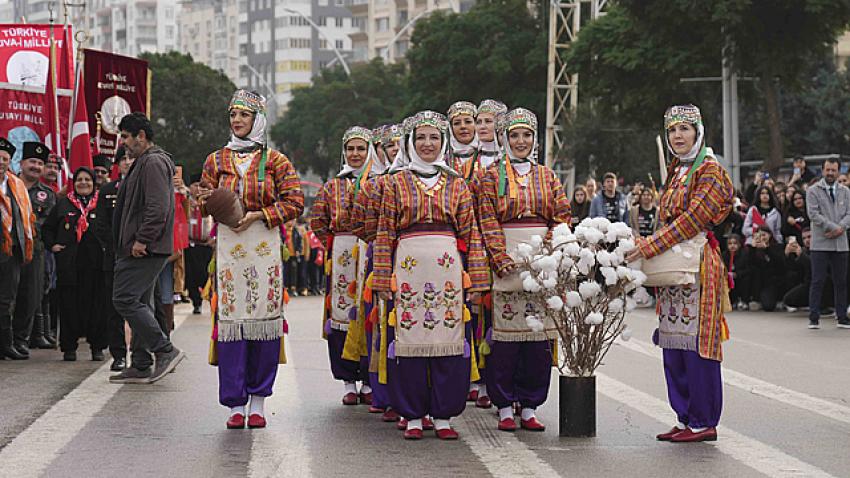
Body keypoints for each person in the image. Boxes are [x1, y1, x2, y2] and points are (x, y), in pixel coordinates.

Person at [373, 110, 489, 440]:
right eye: (420, 138)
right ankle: (412, 415)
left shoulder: (457, 184)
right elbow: (385, 233)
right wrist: (382, 279)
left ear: (444, 143)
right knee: (408, 337)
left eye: (434, 138)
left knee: (449, 341)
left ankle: (443, 415)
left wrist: (478, 281)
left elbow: (473, 233)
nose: (427, 144)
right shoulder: (396, 182)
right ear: (410, 143)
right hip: (408, 267)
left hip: (447, 271)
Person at [626, 104, 734, 443]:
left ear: (698, 132)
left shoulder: (710, 169)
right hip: (673, 263)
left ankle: (704, 420)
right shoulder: (676, 171)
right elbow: (666, 220)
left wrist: (649, 246)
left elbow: (693, 219)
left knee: (697, 345)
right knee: (673, 344)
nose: (678, 136)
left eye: (685, 129)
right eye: (673, 130)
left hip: (698, 263)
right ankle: (685, 417)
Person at [196, 90, 302, 428]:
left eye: (244, 115)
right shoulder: (215, 160)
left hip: (264, 246)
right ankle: (234, 405)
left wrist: (258, 215)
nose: (237, 121)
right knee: (231, 326)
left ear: (258, 121)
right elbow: (204, 198)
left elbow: (295, 201)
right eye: (233, 115)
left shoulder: (277, 161)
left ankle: (258, 401)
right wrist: (209, 201)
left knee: (264, 322)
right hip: (229, 248)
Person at [476, 107, 570, 432]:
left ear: (535, 138)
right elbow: (486, 218)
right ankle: (503, 404)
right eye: (514, 135)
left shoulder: (548, 175)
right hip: (506, 258)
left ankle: (530, 404)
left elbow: (561, 215)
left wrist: (549, 252)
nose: (520, 141)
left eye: (526, 135)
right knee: (505, 338)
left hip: (542, 260)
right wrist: (499, 258)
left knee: (538, 337)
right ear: (504, 137)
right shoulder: (490, 176)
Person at [110, 112, 185, 384]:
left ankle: (165, 350)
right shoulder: (144, 161)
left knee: (124, 298)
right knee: (140, 300)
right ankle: (141, 362)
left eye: (126, 136)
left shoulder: (152, 162)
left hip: (145, 248)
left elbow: (158, 207)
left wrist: (142, 239)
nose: (123, 143)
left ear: (141, 135)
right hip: (141, 246)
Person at [310, 126, 373, 406]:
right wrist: (335, 246)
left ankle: (370, 380)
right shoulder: (332, 186)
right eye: (351, 149)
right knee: (341, 315)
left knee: (369, 312)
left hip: (371, 251)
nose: (356, 154)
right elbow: (317, 221)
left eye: (361, 148)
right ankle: (348, 381)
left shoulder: (380, 183)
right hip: (343, 254)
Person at [43, 167, 106, 361]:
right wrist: (52, 245)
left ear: (94, 183)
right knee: (69, 306)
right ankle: (69, 347)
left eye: (88, 179)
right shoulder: (63, 204)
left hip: (96, 265)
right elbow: (47, 228)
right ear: (74, 182)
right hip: (69, 265)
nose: (83, 183)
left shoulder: (101, 204)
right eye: (79, 179)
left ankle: (97, 347)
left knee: (97, 307)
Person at [13, 142, 55, 356]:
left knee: (30, 296)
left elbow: (49, 224)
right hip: (9, 249)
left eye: (40, 163)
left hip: (34, 251)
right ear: (21, 163)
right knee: (7, 296)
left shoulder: (46, 195)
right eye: (32, 162)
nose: (36, 167)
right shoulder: (9, 186)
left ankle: (21, 339)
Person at [94, 146, 133, 371]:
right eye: (124, 159)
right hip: (114, 256)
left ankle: (142, 353)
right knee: (114, 308)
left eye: (131, 158)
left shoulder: (144, 187)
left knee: (140, 306)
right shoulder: (109, 189)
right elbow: (100, 225)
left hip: (139, 256)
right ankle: (118, 354)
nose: (127, 162)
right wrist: (118, 246)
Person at [0, 137, 36, 360]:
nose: (1, 162)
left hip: (10, 251)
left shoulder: (16, 186)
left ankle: (5, 344)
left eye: (5, 158)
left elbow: (27, 218)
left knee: (6, 299)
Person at [805, 158, 850, 329]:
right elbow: (813, 214)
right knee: (818, 280)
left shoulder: (845, 191)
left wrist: (840, 228)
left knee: (841, 281)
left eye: (834, 170)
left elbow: (849, 213)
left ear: (838, 171)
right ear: (822, 171)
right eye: (828, 170)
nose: (830, 173)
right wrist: (832, 227)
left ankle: (842, 317)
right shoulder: (813, 191)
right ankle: (814, 317)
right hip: (820, 242)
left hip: (840, 243)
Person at [185, 173, 214, 315]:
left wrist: (214, 238)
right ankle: (196, 302)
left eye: (200, 186)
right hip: (190, 245)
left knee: (206, 274)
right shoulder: (184, 201)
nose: (197, 189)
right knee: (191, 276)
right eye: (195, 185)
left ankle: (210, 299)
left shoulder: (211, 202)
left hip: (206, 245)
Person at [746, 225, 785, 312]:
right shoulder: (752, 248)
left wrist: (767, 249)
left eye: (764, 235)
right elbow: (749, 265)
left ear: (769, 235)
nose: (762, 238)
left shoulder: (777, 247)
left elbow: (780, 264)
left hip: (772, 282)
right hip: (758, 282)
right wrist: (752, 249)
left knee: (768, 306)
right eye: (759, 235)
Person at [446, 101, 478, 173]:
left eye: (468, 122)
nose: (463, 126)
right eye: (457, 123)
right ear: (451, 128)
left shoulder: (490, 157)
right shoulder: (443, 161)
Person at [722, 234, 750, 310]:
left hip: (740, 277)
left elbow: (748, 269)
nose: (732, 246)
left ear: (739, 244)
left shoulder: (744, 254)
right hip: (729, 277)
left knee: (746, 279)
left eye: (735, 243)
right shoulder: (724, 255)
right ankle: (732, 301)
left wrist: (737, 274)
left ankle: (744, 300)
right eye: (730, 244)